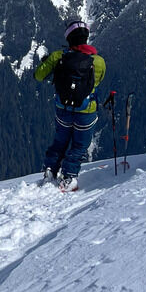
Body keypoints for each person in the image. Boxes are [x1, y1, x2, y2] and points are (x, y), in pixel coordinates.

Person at [34, 19, 106, 191]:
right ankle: (69, 176)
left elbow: (38, 75)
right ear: (86, 38)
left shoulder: (58, 57)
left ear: (69, 39)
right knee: (79, 145)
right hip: (86, 110)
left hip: (63, 109)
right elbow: (98, 80)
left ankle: (50, 169)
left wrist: (49, 64)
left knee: (60, 141)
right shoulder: (98, 62)